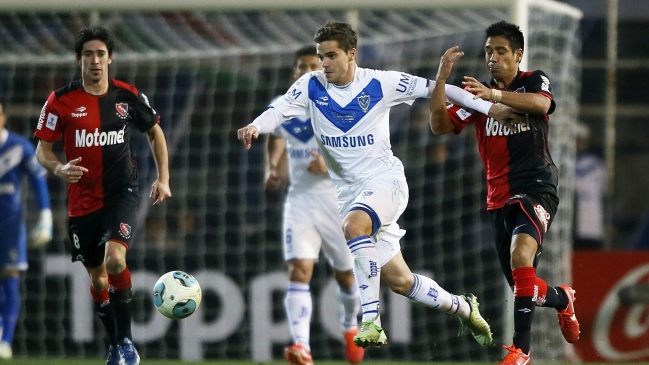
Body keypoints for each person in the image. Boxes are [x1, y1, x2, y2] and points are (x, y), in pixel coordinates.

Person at [239, 21, 518, 349]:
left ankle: (370, 320)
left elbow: (439, 89)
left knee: (354, 227)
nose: (324, 63)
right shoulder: (310, 86)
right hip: (350, 195)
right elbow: (279, 111)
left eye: (331, 56)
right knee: (401, 281)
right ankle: (462, 306)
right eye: (320, 56)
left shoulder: (381, 82)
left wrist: (489, 108)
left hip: (386, 183)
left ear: (351, 54)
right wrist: (255, 126)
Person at [429, 21, 580, 364]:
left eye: (500, 51)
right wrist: (441, 81)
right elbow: (439, 125)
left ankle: (521, 351)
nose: (493, 58)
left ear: (518, 54)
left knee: (520, 259)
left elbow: (542, 105)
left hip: (537, 186)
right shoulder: (477, 99)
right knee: (522, 287)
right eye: (488, 52)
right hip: (497, 197)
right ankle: (562, 299)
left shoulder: (532, 81)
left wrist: (493, 95)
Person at [34, 26, 171, 365]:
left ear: (110, 58)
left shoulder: (127, 95)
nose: (95, 60)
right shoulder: (60, 101)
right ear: (78, 59)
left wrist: (164, 178)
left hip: (121, 192)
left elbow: (155, 131)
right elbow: (42, 150)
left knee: (116, 260)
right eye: (88, 54)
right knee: (97, 279)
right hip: (82, 202)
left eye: (100, 54)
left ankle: (126, 342)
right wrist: (59, 169)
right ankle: (113, 345)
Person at [266, 45, 365, 365]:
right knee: (299, 270)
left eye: (315, 64)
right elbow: (276, 135)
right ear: (295, 72)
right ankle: (302, 347)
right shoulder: (283, 106)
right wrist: (272, 166)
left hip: (339, 202)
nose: (308, 70)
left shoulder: (343, 103)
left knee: (347, 277)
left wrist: (331, 164)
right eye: (302, 65)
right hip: (301, 201)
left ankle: (350, 326)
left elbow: (365, 153)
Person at [0, 102, 53, 359]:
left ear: (3, 117)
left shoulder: (20, 147)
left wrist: (45, 216)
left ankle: (5, 341)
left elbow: (38, 180)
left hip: (10, 224)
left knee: (10, 275)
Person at [574, 122, 605, 250]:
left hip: (590, 225)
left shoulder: (596, 164)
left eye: (580, 140)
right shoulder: (558, 162)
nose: (578, 144)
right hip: (566, 228)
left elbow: (603, 190)